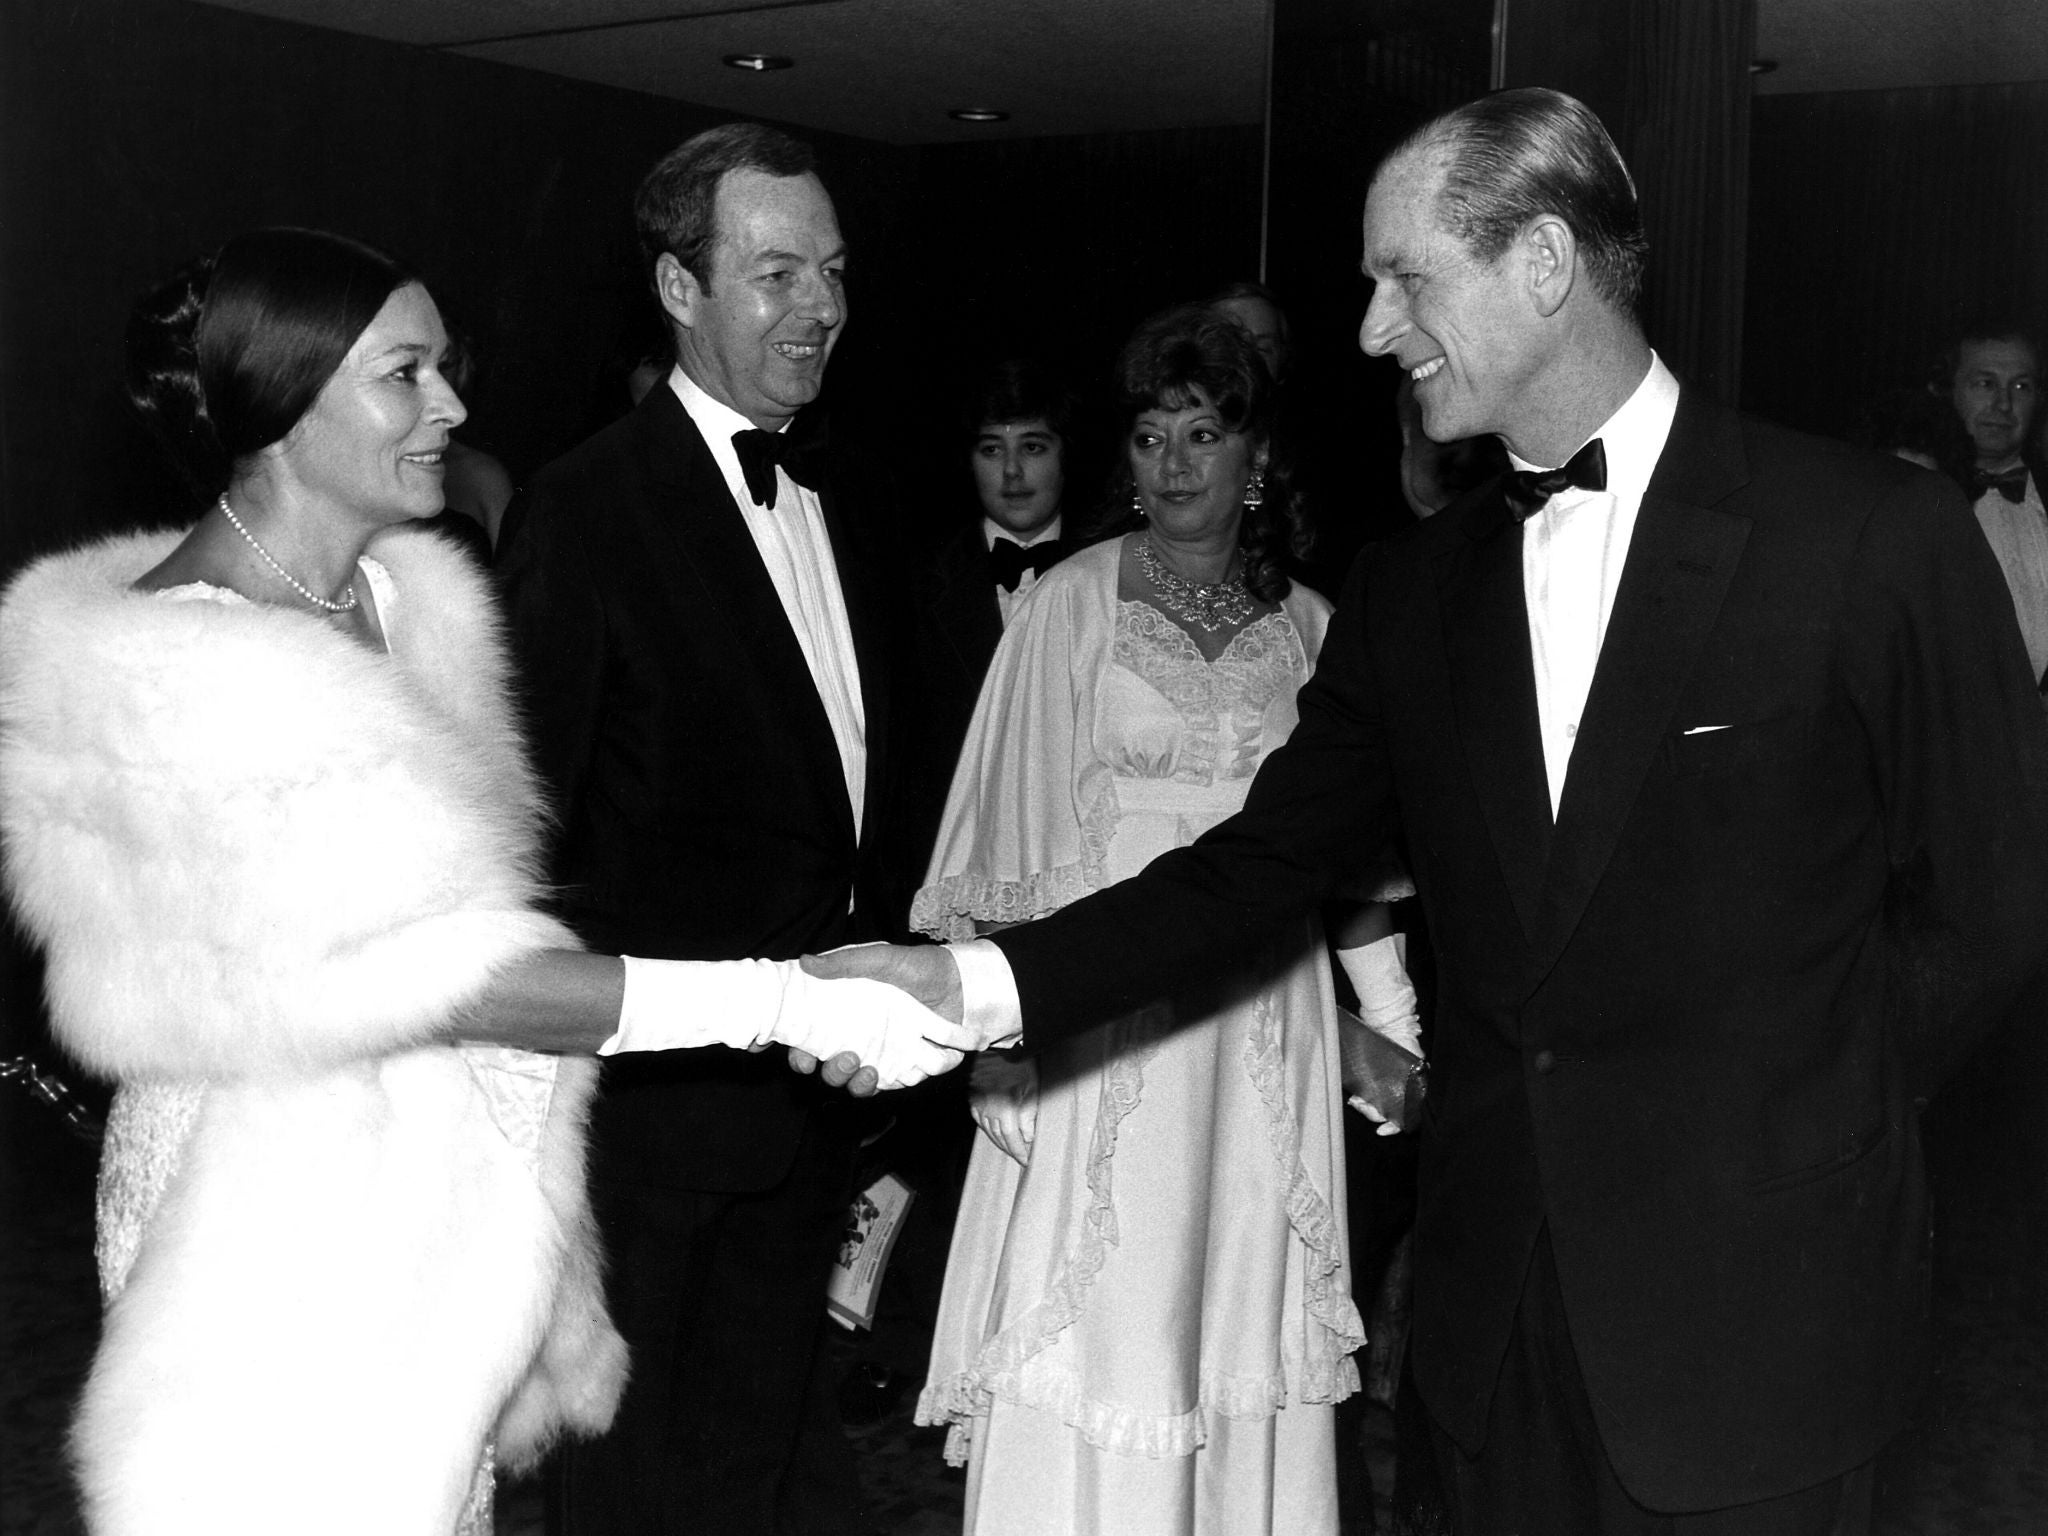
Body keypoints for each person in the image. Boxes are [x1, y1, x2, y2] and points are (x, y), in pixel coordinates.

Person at [817, 88, 2048, 1534]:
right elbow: (1256, 870)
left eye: (1405, 276)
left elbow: (1997, 894)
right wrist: (975, 980)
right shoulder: (1413, 594)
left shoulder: (1865, 540)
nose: (1370, 329)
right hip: (1490, 1340)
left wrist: (1804, 1103)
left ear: (1541, 262)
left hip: (1764, 1327)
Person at [0, 228, 967, 1536]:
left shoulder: (405, 605)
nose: (452, 406)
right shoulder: (183, 673)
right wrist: (784, 1002)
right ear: (286, 411)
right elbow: (442, 980)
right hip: (261, 1233)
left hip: (435, 1221)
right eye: (407, 374)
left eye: (444, 367)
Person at [911, 306, 1416, 1535]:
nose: (1174, 465)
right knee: (1110, 1294)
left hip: (1262, 1025)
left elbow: (1344, 859)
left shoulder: (1311, 629)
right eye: (1148, 437)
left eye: (1201, 434)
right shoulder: (1067, 606)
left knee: (1236, 1293)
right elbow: (1005, 834)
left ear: (1257, 462)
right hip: (1106, 1009)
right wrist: (1007, 1020)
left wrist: (1383, 1021)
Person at [494, 124, 913, 1534]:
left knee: (766, 1475)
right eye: (777, 271)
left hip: (814, 1110)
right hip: (653, 1140)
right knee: (636, 1497)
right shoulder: (586, 507)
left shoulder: (841, 484)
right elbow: (527, 842)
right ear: (681, 290)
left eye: (836, 271)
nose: (823, 306)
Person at [1937, 325, 2048, 683]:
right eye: (1985, 383)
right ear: (1946, 392)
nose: (2003, 404)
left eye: (2021, 386)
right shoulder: (1914, 502)